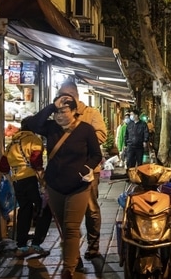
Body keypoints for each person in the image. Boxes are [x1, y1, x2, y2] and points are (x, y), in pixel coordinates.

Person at [25, 94, 102, 278]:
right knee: (63, 226)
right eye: (57, 112)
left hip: (78, 187)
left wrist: (85, 169)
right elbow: (33, 124)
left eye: (63, 111)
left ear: (75, 111)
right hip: (55, 186)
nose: (59, 116)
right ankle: (74, 257)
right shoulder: (51, 128)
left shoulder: (86, 130)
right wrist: (51, 106)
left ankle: (68, 268)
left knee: (71, 227)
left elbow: (96, 155)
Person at [57, 80, 107, 260]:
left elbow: (102, 134)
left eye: (64, 96)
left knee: (91, 210)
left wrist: (80, 139)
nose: (61, 100)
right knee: (69, 213)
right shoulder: (59, 115)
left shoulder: (91, 114)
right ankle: (72, 253)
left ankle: (93, 247)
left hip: (88, 172)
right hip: (64, 173)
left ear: (74, 97)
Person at [0, 117, 52, 258]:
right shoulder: (33, 140)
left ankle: (21, 246)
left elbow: (3, 166)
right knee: (44, 209)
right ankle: (36, 244)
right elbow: (36, 162)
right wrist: (43, 181)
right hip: (31, 180)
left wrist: (13, 175)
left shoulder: (11, 144)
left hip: (17, 182)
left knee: (25, 210)